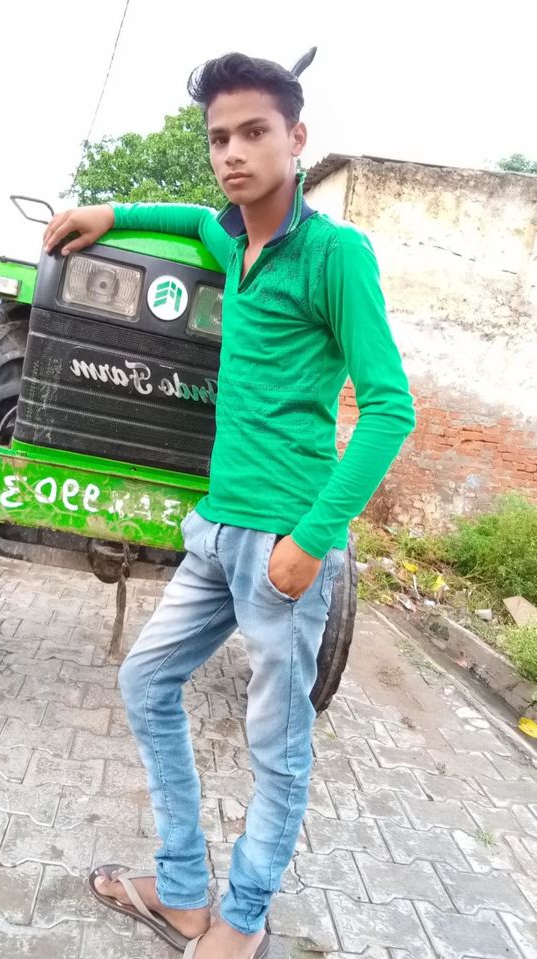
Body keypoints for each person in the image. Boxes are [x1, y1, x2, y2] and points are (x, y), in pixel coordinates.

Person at [44, 51, 416, 959]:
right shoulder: (235, 246)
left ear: (297, 137)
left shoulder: (333, 255)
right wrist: (111, 214)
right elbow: (188, 219)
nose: (233, 153)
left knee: (277, 744)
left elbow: (390, 407)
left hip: (284, 540)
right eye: (219, 138)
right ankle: (181, 892)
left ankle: (241, 921)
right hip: (215, 530)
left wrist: (312, 540)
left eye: (254, 132)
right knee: (145, 681)